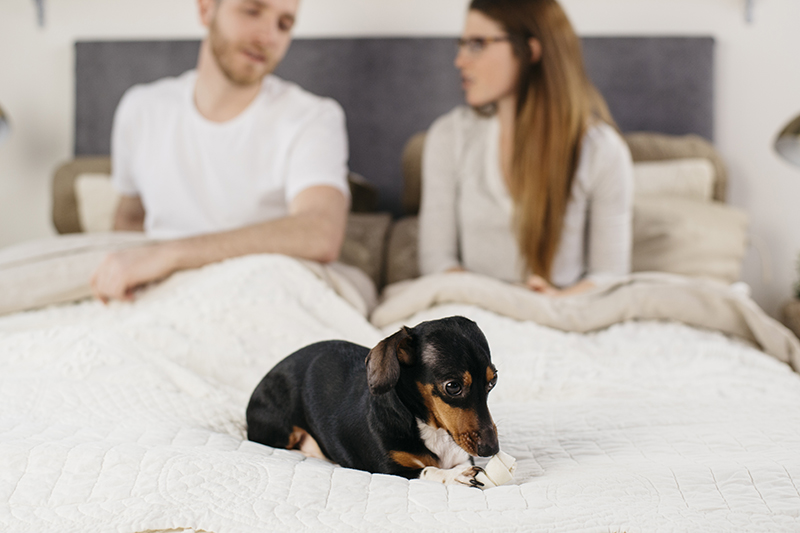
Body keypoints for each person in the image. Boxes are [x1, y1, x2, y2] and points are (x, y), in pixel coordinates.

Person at [91, 0, 350, 302]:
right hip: (158, 296)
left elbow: (320, 232)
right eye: (252, 11)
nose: (268, 37)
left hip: (258, 293)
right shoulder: (141, 109)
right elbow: (130, 220)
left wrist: (171, 254)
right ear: (206, 9)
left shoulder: (312, 117)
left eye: (284, 24)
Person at [418, 0, 633, 297]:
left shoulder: (602, 151)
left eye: (477, 44)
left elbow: (609, 275)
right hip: (474, 312)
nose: (460, 60)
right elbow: (437, 262)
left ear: (530, 50)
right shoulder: (448, 137)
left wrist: (556, 300)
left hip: (560, 314)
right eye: (462, 44)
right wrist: (507, 300)